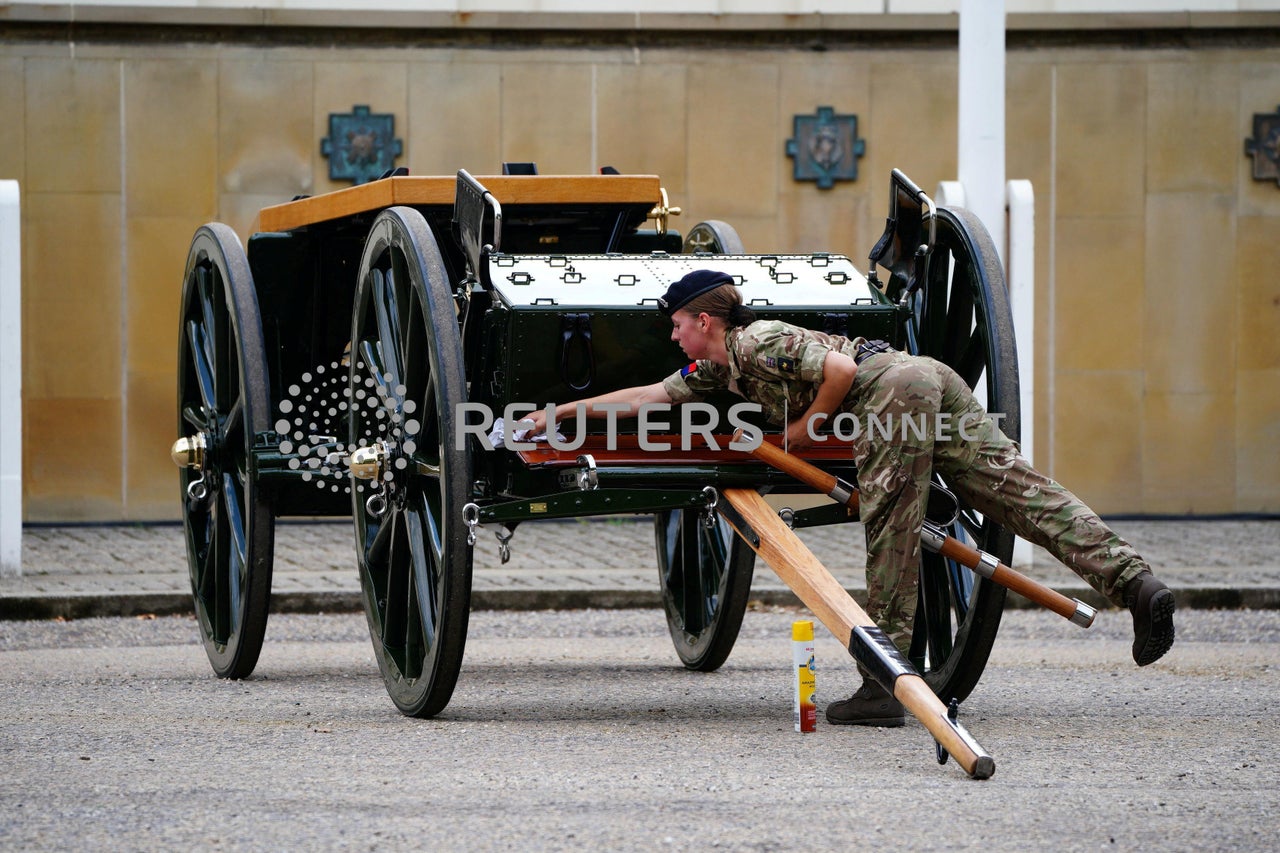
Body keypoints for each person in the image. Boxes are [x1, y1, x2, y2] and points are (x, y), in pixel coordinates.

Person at [524, 269, 1176, 727]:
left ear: (703, 319)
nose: (672, 339)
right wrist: (561, 414)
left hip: (888, 390)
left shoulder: (756, 339)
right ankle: (1136, 584)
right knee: (1025, 496)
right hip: (928, 382)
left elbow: (838, 372)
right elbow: (646, 397)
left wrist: (808, 428)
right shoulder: (716, 369)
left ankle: (883, 685)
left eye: (676, 327)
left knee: (890, 532)